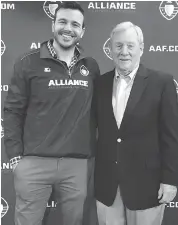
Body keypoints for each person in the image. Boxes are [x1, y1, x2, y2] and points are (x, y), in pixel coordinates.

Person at [3, 2, 100, 225]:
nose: (68, 28)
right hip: (34, 164)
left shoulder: (90, 66)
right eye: (63, 22)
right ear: (53, 25)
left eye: (75, 24)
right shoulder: (28, 62)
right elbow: (12, 111)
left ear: (82, 31)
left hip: (77, 165)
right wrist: (17, 158)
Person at [93, 21, 178, 225]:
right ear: (111, 49)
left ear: (141, 48)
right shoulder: (100, 84)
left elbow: (172, 136)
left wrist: (170, 181)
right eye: (118, 46)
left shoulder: (162, 82)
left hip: (147, 186)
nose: (124, 52)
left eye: (130, 46)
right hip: (108, 186)